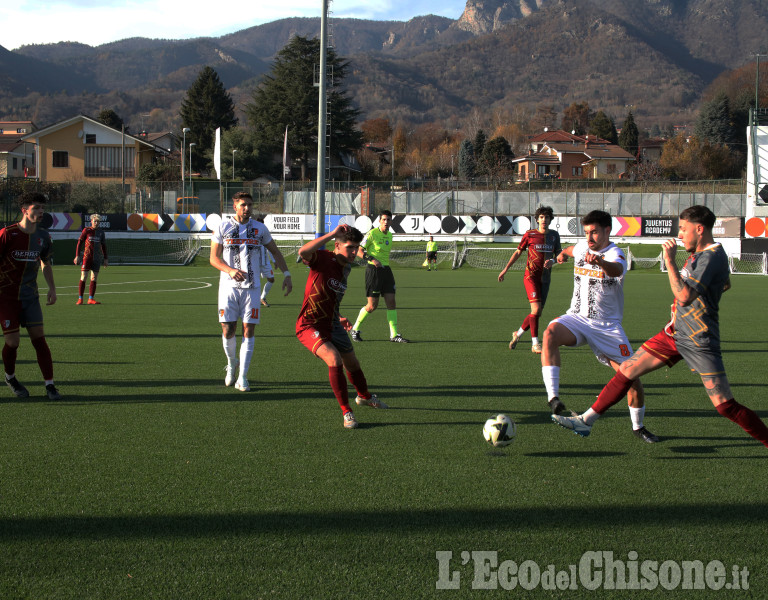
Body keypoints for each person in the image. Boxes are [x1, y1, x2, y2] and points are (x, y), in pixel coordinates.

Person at [552, 206, 768, 447]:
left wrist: (669, 261)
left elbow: (684, 295)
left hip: (699, 340)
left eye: (684, 229)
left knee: (725, 405)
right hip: (674, 333)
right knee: (627, 371)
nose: (680, 235)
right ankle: (586, 420)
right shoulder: (702, 254)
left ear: (699, 229)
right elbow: (724, 284)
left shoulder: (711, 256)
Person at [541, 210, 657, 443]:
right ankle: (553, 398)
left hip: (606, 326)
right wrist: (560, 256)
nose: (589, 237)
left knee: (632, 378)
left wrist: (601, 262)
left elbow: (617, 270)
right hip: (576, 318)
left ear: (607, 231)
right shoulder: (582, 248)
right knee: (550, 333)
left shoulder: (615, 253)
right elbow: (570, 250)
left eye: (594, 232)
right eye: (586, 232)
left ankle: (638, 427)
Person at [296, 224, 386, 429]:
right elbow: (303, 252)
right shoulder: (323, 258)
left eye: (357, 248)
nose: (355, 252)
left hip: (332, 323)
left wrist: (339, 316)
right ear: (337, 246)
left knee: (352, 363)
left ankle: (364, 397)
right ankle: (347, 412)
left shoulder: (346, 268)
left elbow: (330, 298)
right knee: (334, 360)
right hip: (309, 324)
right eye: (350, 248)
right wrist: (331, 234)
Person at [210, 191, 293, 392]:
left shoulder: (260, 229)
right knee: (228, 329)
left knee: (249, 330)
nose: (247, 208)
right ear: (235, 207)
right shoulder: (223, 227)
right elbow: (213, 258)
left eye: (250, 204)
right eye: (243, 205)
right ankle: (231, 364)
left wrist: (287, 274)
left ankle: (243, 376)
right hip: (228, 288)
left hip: (253, 289)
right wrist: (230, 270)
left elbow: (275, 251)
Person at [0, 192, 61, 400]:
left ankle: (50, 385)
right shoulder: (7, 234)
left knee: (39, 340)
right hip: (6, 298)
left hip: (30, 297)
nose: (41, 211)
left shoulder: (43, 236)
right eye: (36, 207)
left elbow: (45, 263)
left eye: (43, 207)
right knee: (13, 342)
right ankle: (10, 377)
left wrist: (52, 288)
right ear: (24, 210)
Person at [498, 206, 561, 353]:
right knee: (536, 309)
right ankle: (535, 344)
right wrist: (505, 269)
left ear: (551, 220)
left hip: (545, 279)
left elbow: (560, 255)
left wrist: (554, 261)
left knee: (536, 312)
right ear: (537, 219)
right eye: (541, 217)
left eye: (547, 217)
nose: (544, 220)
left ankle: (517, 334)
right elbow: (518, 252)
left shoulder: (554, 236)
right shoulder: (530, 234)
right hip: (530, 277)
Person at [350, 210, 410, 343]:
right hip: (374, 271)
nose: (386, 222)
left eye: (388, 220)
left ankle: (394, 335)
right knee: (372, 306)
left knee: (391, 302)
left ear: (391, 221)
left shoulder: (389, 235)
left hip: (386, 270)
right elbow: (358, 250)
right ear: (379, 221)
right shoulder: (372, 234)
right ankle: (355, 329)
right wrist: (371, 258)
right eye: (384, 219)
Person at [74, 213, 108, 305]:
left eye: (98, 221)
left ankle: (91, 299)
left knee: (93, 278)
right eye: (95, 221)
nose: (96, 223)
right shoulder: (87, 230)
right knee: (84, 277)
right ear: (91, 221)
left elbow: (103, 246)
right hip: (87, 257)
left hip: (97, 258)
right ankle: (80, 298)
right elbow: (79, 242)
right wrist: (77, 256)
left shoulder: (101, 232)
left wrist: (105, 258)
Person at [255, 214, 275, 307]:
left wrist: (274, 261)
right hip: (254, 262)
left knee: (271, 279)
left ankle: (262, 297)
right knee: (253, 281)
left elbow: (271, 249)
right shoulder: (252, 235)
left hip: (265, 263)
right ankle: (251, 300)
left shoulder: (266, 235)